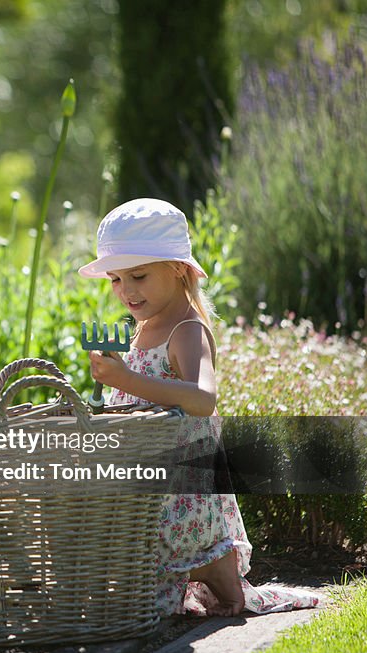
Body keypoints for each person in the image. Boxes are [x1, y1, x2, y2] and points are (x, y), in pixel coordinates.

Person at [79, 198, 321, 617]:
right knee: (129, 595)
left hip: (184, 483)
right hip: (147, 476)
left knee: (157, 589)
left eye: (138, 275)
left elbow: (203, 398)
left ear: (178, 268)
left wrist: (127, 380)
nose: (126, 290)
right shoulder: (140, 330)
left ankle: (215, 566)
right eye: (116, 279)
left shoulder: (187, 330)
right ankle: (191, 572)